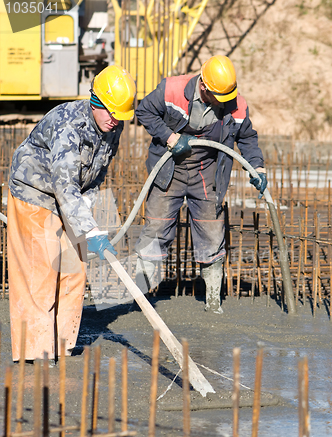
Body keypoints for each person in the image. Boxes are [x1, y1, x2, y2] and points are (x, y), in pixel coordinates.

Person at [8, 64, 136, 361]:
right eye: (112, 112)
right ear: (97, 102)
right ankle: (36, 351)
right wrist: (89, 230)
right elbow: (63, 184)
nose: (117, 121)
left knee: (75, 270)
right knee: (42, 270)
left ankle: (61, 345)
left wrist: (87, 214)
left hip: (71, 198)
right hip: (35, 192)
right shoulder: (70, 127)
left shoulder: (112, 125)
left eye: (121, 115)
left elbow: (95, 174)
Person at [134, 55, 266, 314]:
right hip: (168, 168)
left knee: (211, 233)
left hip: (207, 173)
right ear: (204, 87)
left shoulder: (236, 104)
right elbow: (144, 112)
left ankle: (213, 302)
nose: (226, 101)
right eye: (220, 95)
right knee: (155, 230)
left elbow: (247, 137)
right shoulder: (172, 89)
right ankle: (139, 300)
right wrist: (170, 137)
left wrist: (257, 166)